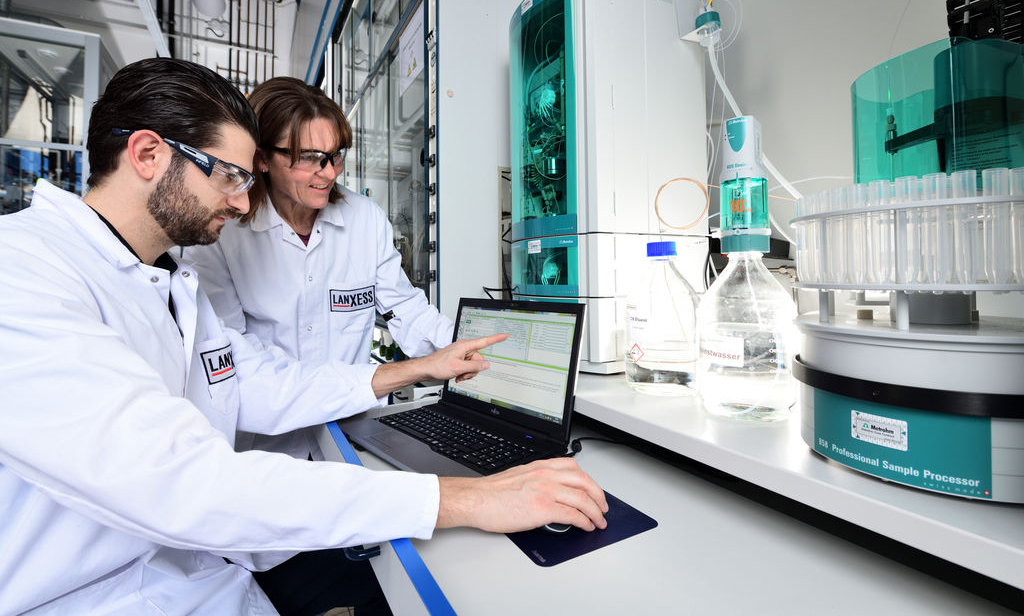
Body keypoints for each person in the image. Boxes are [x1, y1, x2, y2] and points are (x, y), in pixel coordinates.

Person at [0, 58, 607, 615]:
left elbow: (255, 382)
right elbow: (181, 481)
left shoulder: (166, 280)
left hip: (204, 570)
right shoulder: (24, 272)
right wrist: (466, 499)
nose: (243, 204)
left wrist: (425, 365)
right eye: (229, 175)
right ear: (148, 154)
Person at [183, 76, 454, 461]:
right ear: (262, 158)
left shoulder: (364, 219)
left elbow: (405, 308)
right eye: (309, 157)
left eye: (334, 155)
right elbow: (235, 361)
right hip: (269, 448)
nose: (328, 173)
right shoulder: (223, 234)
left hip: (354, 434)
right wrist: (409, 372)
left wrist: (461, 346)